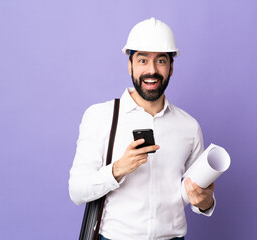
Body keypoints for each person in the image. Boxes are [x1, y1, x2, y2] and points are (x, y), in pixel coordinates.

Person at [69, 17, 215, 240]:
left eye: (161, 61)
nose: (152, 70)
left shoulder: (189, 126)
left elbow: (194, 194)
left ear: (171, 67)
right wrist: (117, 169)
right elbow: (77, 191)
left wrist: (205, 201)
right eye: (143, 60)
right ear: (130, 64)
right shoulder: (100, 117)